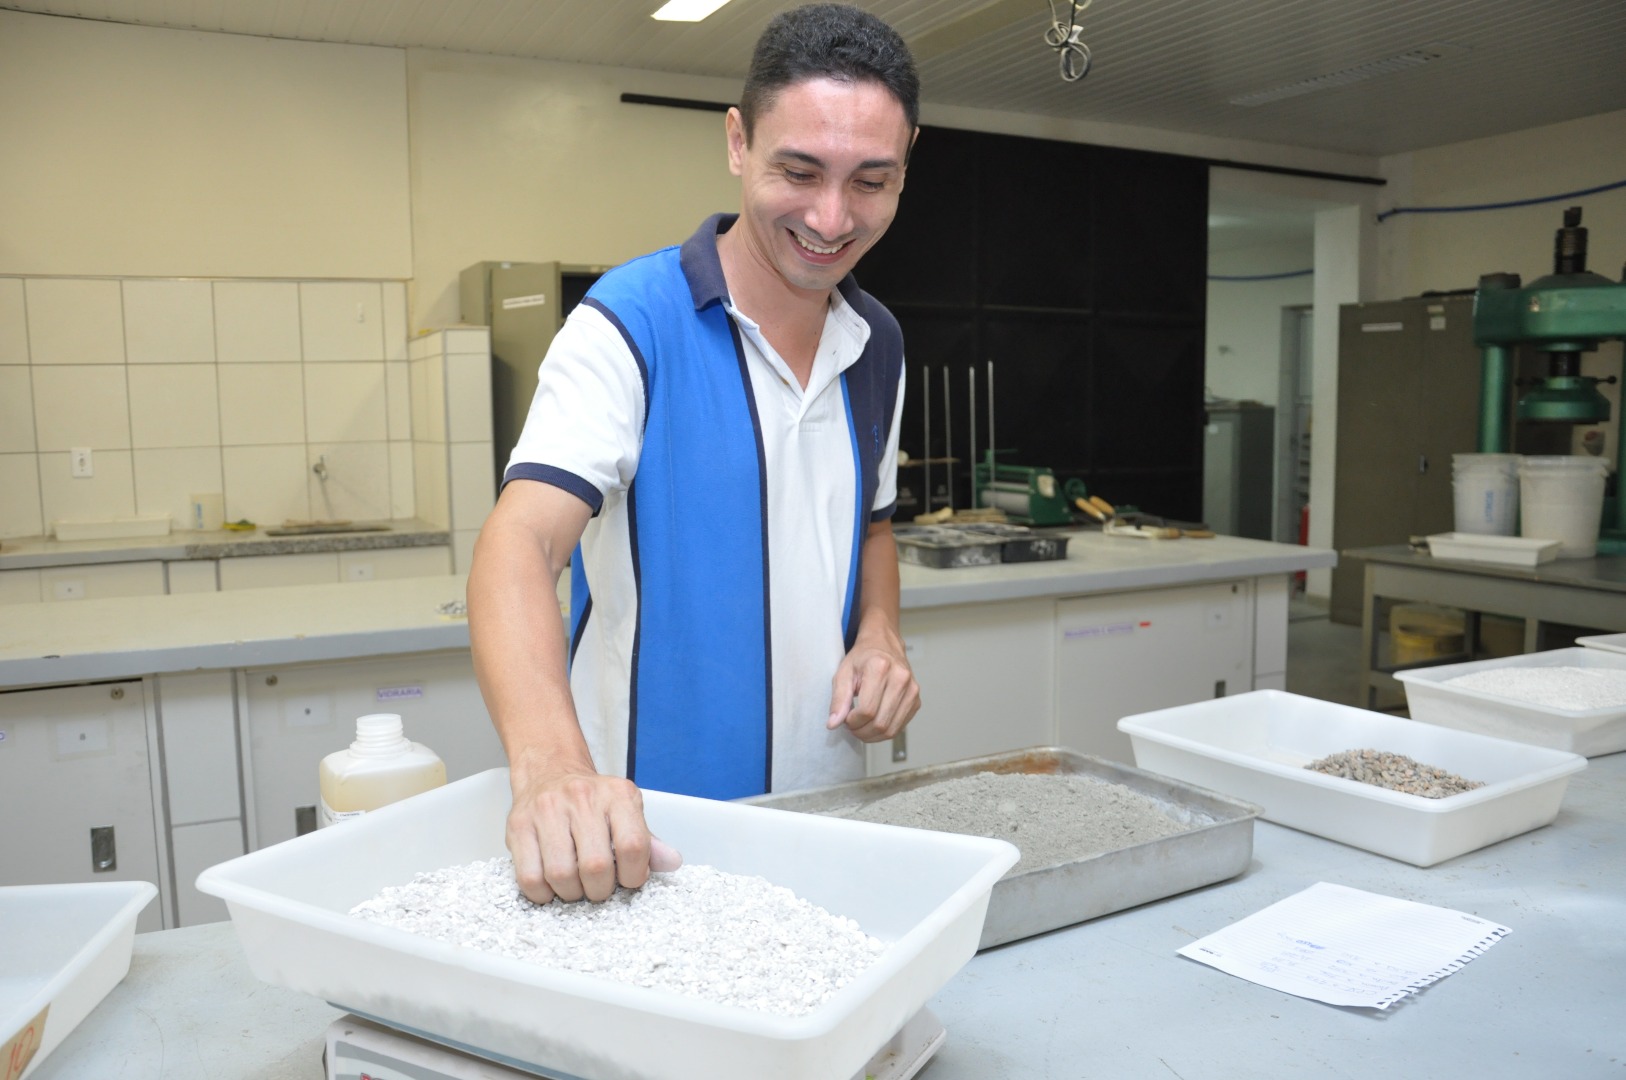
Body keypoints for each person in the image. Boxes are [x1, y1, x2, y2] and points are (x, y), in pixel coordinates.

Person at [468, 2, 922, 907]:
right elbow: (520, 548)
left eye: (871, 181)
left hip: (826, 818)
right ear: (737, 143)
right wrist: (554, 769)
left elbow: (871, 525)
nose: (831, 217)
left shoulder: (878, 342)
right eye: (799, 170)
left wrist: (879, 634)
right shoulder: (628, 325)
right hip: (644, 840)